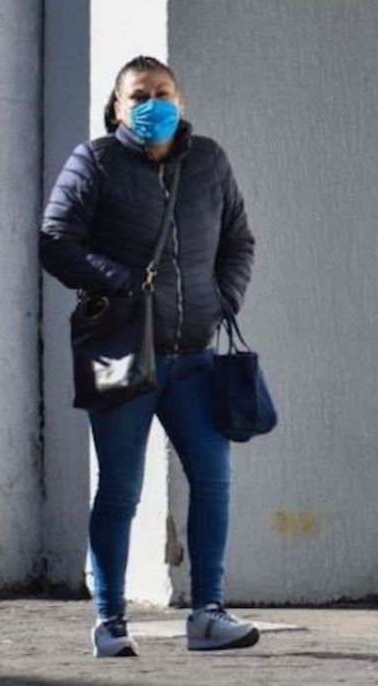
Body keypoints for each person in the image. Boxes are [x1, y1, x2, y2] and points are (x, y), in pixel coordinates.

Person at [40, 56, 258, 657]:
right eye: (138, 94)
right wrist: (120, 280)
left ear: (181, 101)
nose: (152, 102)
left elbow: (238, 238)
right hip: (123, 356)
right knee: (120, 490)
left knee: (214, 482)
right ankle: (110, 620)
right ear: (117, 106)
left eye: (162, 92)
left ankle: (208, 613)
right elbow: (55, 241)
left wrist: (223, 298)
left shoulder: (209, 161)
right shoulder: (95, 162)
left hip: (193, 357)